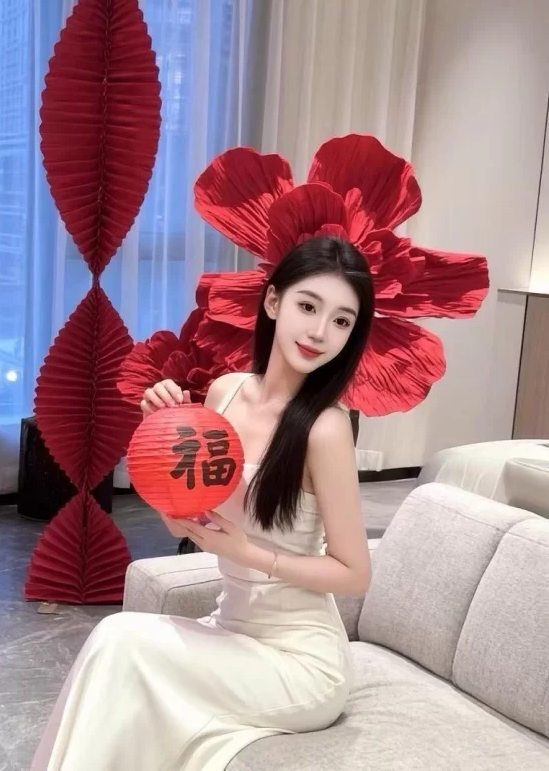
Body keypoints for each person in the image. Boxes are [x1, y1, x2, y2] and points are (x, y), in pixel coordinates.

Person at [31, 235, 374, 771]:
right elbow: (181, 525)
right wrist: (160, 430)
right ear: (273, 301)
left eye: (341, 321)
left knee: (123, 641)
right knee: (115, 642)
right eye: (308, 307)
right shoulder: (225, 393)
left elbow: (355, 574)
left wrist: (249, 553)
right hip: (231, 631)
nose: (319, 332)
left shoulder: (326, 429)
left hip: (302, 663)